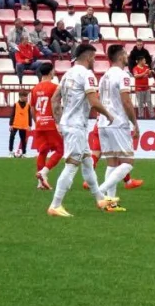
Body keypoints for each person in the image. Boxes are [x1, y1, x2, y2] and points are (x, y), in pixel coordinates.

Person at [46, 44, 123, 217]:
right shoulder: (87, 75)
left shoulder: (68, 74)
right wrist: (109, 116)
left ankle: (99, 198)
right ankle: (55, 205)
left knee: (87, 161)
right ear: (88, 57)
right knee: (72, 165)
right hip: (76, 126)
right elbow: (94, 101)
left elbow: (54, 99)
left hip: (69, 124)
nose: (95, 61)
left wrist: (59, 123)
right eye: (94, 58)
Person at [98, 45, 140, 199]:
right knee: (128, 162)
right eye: (125, 54)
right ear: (121, 56)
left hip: (103, 122)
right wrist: (135, 123)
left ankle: (110, 201)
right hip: (118, 122)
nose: (127, 56)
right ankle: (100, 191)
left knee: (112, 163)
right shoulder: (123, 75)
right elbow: (126, 101)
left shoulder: (104, 76)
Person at [30, 63, 63, 190]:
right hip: (51, 123)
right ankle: (44, 172)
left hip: (39, 123)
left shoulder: (35, 88)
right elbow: (56, 105)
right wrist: (59, 122)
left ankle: (40, 183)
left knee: (42, 151)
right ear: (50, 72)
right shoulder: (55, 87)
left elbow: (32, 108)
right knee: (60, 150)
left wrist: (36, 121)